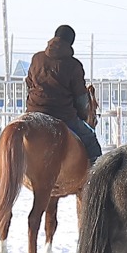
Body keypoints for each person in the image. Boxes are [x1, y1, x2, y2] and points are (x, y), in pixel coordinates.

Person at [24, 24, 101, 165]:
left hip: (33, 112)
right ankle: (96, 177)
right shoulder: (73, 65)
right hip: (61, 115)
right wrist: (82, 116)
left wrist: (33, 104)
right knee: (90, 138)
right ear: (71, 42)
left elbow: (29, 83)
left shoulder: (37, 59)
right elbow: (80, 97)